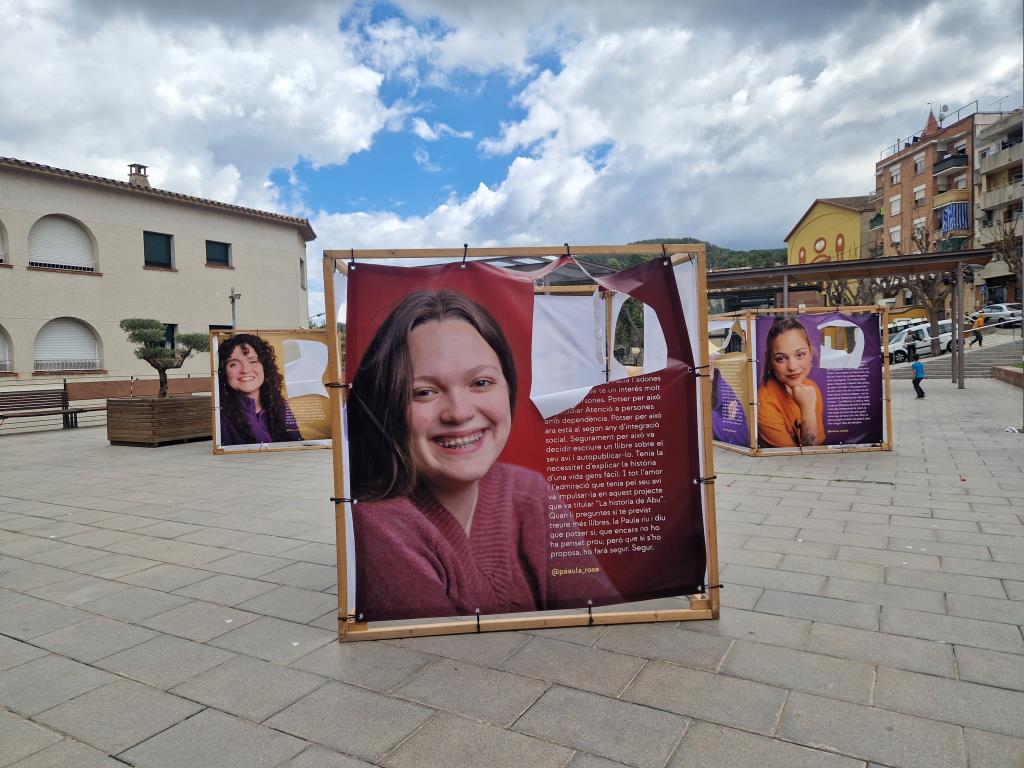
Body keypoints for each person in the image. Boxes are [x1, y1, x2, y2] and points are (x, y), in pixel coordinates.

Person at [348, 289, 618, 621]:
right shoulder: (377, 525)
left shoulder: (529, 490)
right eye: (423, 392)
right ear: (385, 405)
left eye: (481, 382)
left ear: (509, 386)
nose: (459, 413)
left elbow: (606, 622)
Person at [218, 333, 303, 446]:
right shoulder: (220, 416)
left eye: (253, 361)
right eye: (234, 364)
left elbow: (297, 443)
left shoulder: (279, 404)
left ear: (265, 366)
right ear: (223, 372)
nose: (245, 370)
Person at [757, 315, 826, 448]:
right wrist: (807, 408)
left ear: (811, 354)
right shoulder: (763, 402)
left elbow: (819, 446)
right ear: (770, 361)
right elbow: (802, 458)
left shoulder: (812, 388)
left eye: (800, 355)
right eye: (781, 359)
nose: (793, 367)